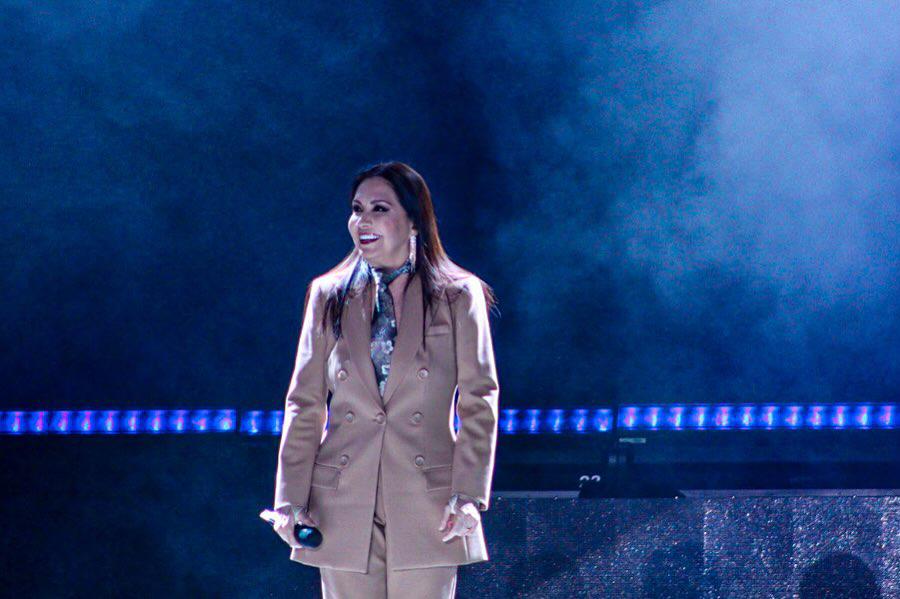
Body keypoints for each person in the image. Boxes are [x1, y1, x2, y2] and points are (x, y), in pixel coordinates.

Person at [271, 161, 499, 598]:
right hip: (342, 500)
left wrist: (469, 495)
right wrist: (290, 500)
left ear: (414, 220)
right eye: (357, 209)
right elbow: (304, 403)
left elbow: (479, 399)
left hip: (430, 503)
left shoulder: (457, 294)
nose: (363, 221)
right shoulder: (328, 293)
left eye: (379, 209)